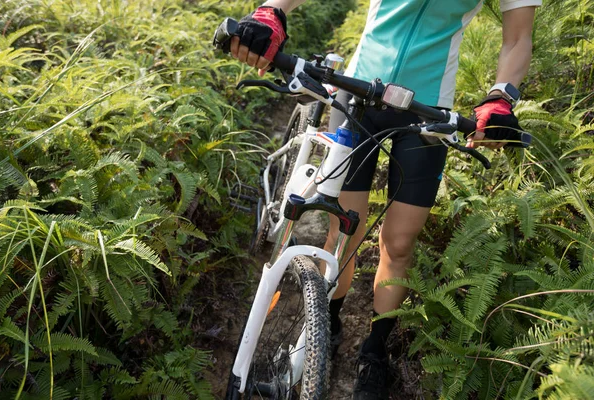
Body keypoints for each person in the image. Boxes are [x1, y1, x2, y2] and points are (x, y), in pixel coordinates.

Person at [225, 1, 541, 398]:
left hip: (427, 110)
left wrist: (501, 96)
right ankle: (330, 323)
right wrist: (272, 11)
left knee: (400, 243)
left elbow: (517, 37)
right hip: (357, 92)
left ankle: (374, 351)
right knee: (344, 229)